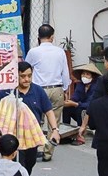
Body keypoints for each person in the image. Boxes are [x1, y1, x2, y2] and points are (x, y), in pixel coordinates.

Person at [0, 62, 59, 174]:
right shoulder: (6, 92)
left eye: (29, 76)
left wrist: (55, 130)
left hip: (31, 138)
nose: (26, 79)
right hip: (12, 139)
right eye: (22, 76)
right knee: (18, 166)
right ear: (15, 76)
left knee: (29, 164)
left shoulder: (38, 91)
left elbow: (49, 111)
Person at [23, 24, 69, 161]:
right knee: (54, 123)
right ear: (52, 37)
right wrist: (64, 89)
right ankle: (48, 153)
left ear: (38, 37)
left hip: (38, 89)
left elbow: (26, 69)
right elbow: (65, 73)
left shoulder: (33, 52)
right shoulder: (60, 52)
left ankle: (35, 148)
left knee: (35, 120)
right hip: (56, 88)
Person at [63, 63, 100, 143]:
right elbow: (76, 97)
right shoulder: (80, 85)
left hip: (92, 114)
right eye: (83, 74)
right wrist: (69, 101)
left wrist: (76, 104)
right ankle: (66, 134)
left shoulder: (96, 87)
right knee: (66, 108)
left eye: (87, 74)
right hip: (81, 111)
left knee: (80, 109)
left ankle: (80, 135)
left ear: (92, 77)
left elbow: (90, 104)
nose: (85, 76)